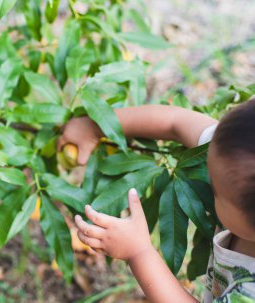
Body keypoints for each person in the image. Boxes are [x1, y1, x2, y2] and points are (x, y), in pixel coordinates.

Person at [58, 100, 255, 302]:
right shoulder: (240, 149)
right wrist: (95, 126)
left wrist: (138, 252)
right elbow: (175, 122)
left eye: (215, 191)